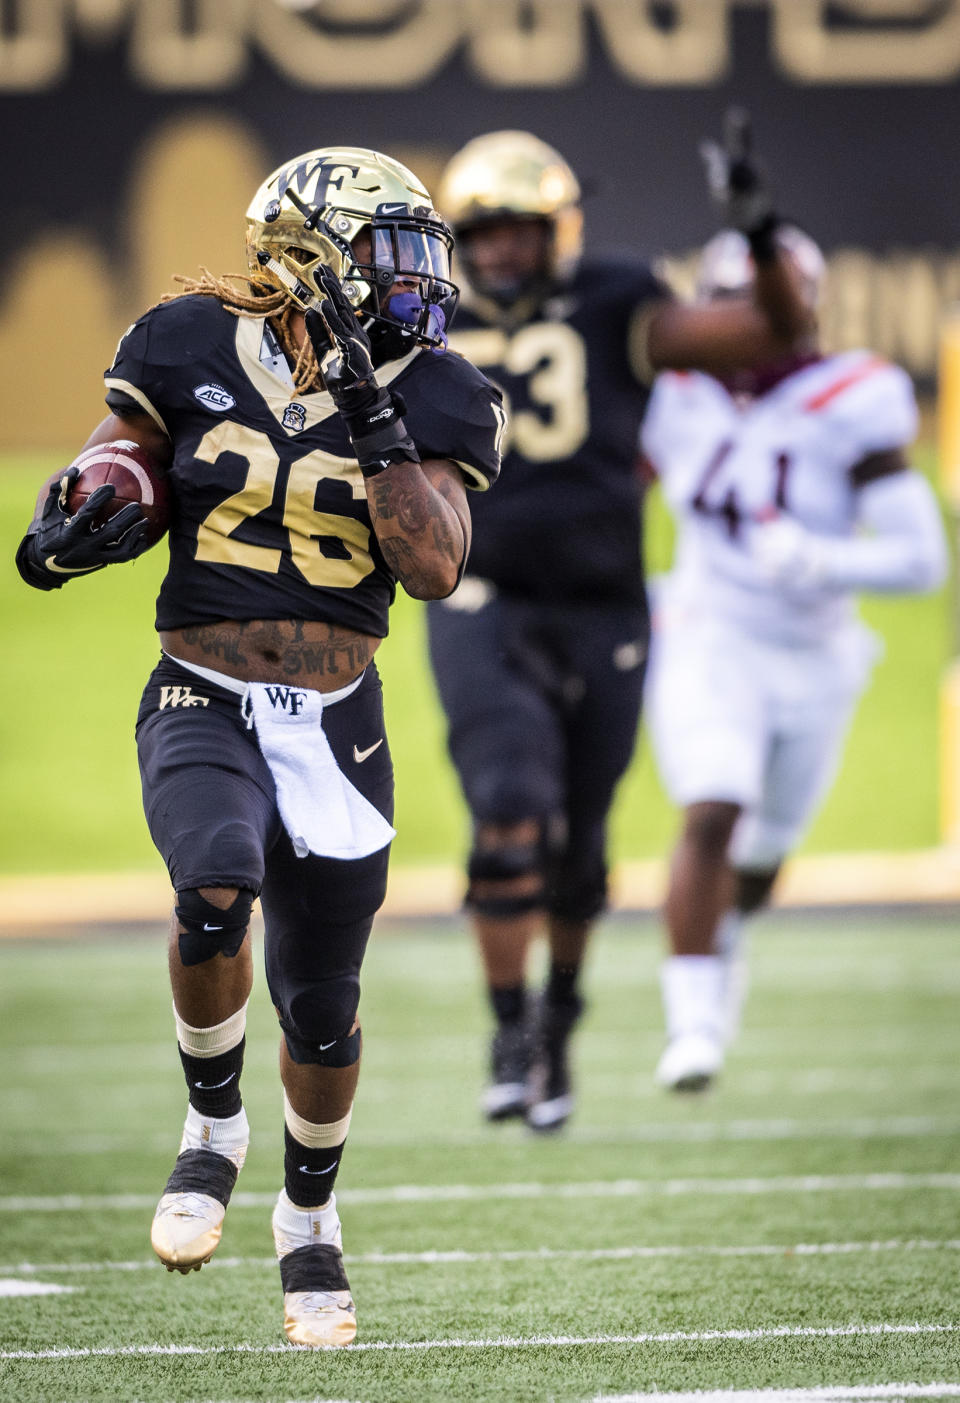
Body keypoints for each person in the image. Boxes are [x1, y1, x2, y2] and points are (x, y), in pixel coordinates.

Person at [15, 146, 503, 1347]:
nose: (417, 279)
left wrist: (371, 404)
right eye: (391, 250)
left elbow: (434, 564)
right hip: (204, 685)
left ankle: (307, 1217)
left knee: (324, 1008)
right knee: (213, 888)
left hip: (337, 720)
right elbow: (122, 453)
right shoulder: (181, 340)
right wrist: (94, 498)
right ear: (307, 250)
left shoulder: (441, 390)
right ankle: (212, 1125)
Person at [426, 117, 814, 1132]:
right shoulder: (419, 317)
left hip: (603, 602)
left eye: (521, 226)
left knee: (581, 842)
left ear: (561, 227)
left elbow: (772, 330)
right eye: (486, 230)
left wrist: (762, 233)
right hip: (483, 595)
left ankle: (558, 1021)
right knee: (509, 807)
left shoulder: (617, 299)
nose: (503, 248)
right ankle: (509, 1028)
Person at [641, 225, 948, 1092]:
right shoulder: (673, 395)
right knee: (713, 804)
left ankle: (726, 934)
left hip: (816, 650)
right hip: (708, 628)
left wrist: (823, 562)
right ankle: (692, 1022)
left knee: (765, 846)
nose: (747, 322)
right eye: (727, 304)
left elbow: (923, 558)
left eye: (759, 302)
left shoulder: (855, 397)